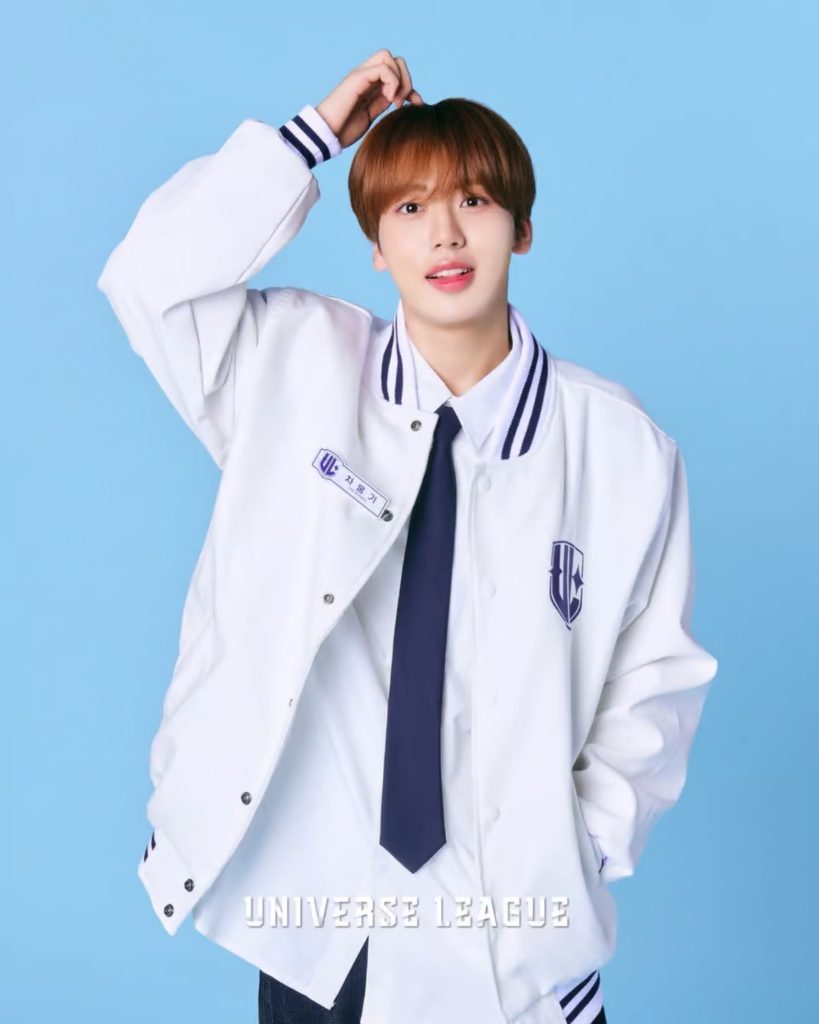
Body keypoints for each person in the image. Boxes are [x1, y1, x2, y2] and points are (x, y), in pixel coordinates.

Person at [96, 48, 718, 1024]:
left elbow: (656, 682)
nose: (445, 233)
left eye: (474, 201)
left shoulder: (621, 448)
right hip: (322, 924)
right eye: (410, 207)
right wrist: (310, 139)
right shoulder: (293, 368)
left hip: (510, 934)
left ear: (522, 227)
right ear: (377, 247)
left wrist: (574, 852)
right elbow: (148, 280)